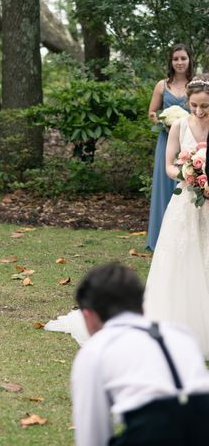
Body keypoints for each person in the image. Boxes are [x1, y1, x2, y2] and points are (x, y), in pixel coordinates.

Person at [71, 263, 209, 446]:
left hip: (151, 432)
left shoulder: (96, 349)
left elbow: (92, 433)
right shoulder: (180, 333)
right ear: (141, 305)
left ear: (88, 315)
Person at [144, 76, 209, 357]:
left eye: (205, 106)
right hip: (185, 202)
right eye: (194, 105)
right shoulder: (179, 126)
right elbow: (169, 165)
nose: (199, 112)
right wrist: (186, 172)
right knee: (181, 258)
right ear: (187, 103)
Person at [146, 44, 194, 251]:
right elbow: (151, 112)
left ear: (189, 60)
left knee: (188, 184)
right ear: (171, 62)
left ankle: (186, 240)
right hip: (166, 141)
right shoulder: (161, 86)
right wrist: (161, 121)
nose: (180, 62)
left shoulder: (196, 85)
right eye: (176, 59)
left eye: (183, 58)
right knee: (164, 186)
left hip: (190, 142)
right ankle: (159, 239)